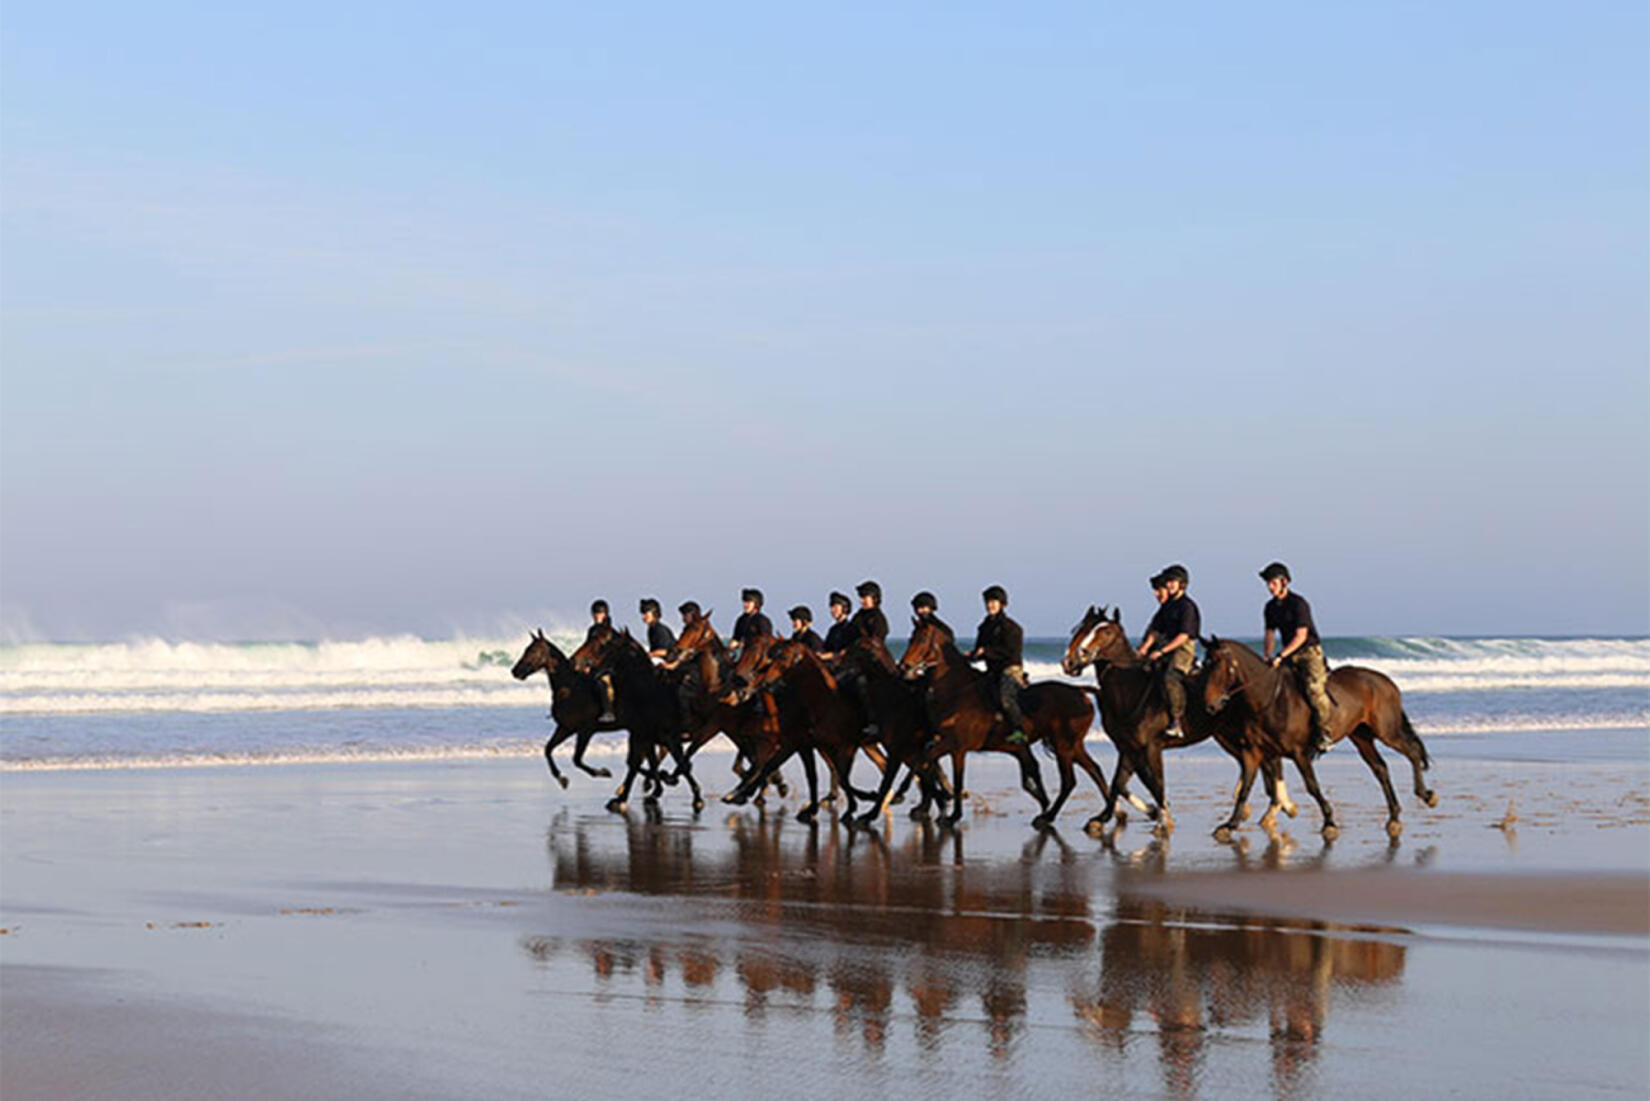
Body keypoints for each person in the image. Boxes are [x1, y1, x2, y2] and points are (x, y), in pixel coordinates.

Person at [1260, 562, 1335, 754]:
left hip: (1308, 652)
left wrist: (1281, 654)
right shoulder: (1270, 607)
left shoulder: (1299, 604)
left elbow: (1301, 636)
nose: (1270, 587)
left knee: (1314, 689)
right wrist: (1267, 657)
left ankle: (1325, 732)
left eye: (1273, 583)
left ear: (1285, 582)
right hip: (1288, 654)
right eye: (1269, 583)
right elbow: (1269, 634)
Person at [1137, 565, 1200, 738]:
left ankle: (1176, 720)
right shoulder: (1167, 606)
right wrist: (1143, 648)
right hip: (1166, 646)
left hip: (1182, 649)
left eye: (1172, 582)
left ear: (1182, 584)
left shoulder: (1188, 607)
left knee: (1170, 678)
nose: (1169, 585)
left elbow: (1184, 636)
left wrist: (1162, 651)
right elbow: (1155, 630)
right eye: (1168, 582)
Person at [966, 585, 1028, 744]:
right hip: (992, 670)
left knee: (1006, 697)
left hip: (1010, 668)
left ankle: (1019, 730)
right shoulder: (984, 627)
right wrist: (971, 656)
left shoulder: (1012, 627)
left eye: (994, 602)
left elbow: (1011, 651)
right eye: (988, 602)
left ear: (1002, 604)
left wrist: (986, 651)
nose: (990, 605)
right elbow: (980, 650)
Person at [587, 599, 617, 722]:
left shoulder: (609, 632)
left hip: (608, 666)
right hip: (595, 664)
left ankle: (608, 712)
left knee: (601, 682)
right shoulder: (592, 630)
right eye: (594, 613)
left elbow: (612, 652)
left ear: (605, 614)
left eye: (599, 613)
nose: (596, 616)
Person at [819, 592, 858, 661]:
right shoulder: (833, 630)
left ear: (844, 608)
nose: (832, 610)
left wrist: (831, 655)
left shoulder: (851, 628)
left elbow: (848, 651)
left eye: (835, 607)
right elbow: (826, 648)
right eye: (831, 607)